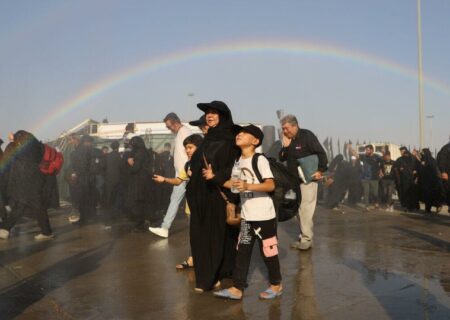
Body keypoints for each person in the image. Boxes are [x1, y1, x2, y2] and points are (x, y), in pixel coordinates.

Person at [214, 125, 282, 300]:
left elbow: (270, 185)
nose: (239, 134)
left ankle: (276, 284)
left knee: (268, 252)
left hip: (264, 216)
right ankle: (238, 288)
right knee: (242, 251)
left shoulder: (259, 160)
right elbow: (235, 184)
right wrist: (214, 178)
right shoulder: (238, 161)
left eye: (244, 133)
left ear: (255, 141)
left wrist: (248, 186)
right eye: (238, 133)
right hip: (246, 216)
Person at [187, 100, 240, 292]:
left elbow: (235, 166)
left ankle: (210, 278)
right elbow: (195, 163)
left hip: (217, 195)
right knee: (201, 237)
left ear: (223, 116)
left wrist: (216, 176)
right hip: (199, 197)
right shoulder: (207, 139)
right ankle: (219, 271)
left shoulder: (230, 139)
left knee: (215, 237)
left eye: (213, 113)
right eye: (207, 113)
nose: (209, 116)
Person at [153, 134, 203, 269]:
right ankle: (192, 259)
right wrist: (164, 179)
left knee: (206, 236)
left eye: (190, 147)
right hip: (191, 208)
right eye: (186, 148)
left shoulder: (207, 164)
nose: (187, 151)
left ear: (200, 148)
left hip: (205, 208)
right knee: (193, 236)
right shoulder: (188, 165)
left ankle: (208, 264)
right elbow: (178, 181)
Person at [278, 115, 327, 251]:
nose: (284, 131)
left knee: (305, 210)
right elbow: (281, 158)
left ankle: (307, 239)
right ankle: (303, 236)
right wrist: (285, 146)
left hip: (308, 180)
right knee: (297, 210)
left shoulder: (307, 136)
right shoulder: (288, 140)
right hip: (294, 181)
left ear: (295, 126)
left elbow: (321, 153)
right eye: (282, 129)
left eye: (286, 128)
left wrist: (320, 171)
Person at [0, 131, 53, 241]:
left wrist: (13, 140)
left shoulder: (28, 148)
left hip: (29, 182)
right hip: (29, 181)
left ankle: (47, 232)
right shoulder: (35, 146)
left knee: (36, 206)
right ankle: (4, 229)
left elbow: (19, 157)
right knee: (21, 205)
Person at [149, 112, 192, 238]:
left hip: (185, 173)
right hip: (183, 172)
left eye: (169, 126)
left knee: (179, 200)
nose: (169, 129)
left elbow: (190, 151)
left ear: (176, 123)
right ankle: (165, 227)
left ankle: (165, 227)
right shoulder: (180, 133)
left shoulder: (184, 132)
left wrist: (187, 170)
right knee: (177, 200)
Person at [69, 135, 97, 225]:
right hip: (84, 177)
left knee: (86, 197)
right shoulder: (78, 151)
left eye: (71, 140)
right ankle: (87, 216)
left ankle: (86, 217)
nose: (70, 142)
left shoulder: (87, 151)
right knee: (85, 197)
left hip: (86, 177)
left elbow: (90, 165)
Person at [125, 136, 151, 231]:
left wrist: (131, 163)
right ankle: (142, 221)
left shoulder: (139, 153)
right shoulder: (146, 151)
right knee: (142, 202)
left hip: (139, 181)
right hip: (145, 180)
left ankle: (140, 224)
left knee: (137, 202)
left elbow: (136, 168)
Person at [349, 144, 381, 211]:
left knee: (375, 193)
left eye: (367, 150)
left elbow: (381, 164)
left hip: (374, 178)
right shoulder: (364, 157)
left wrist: (381, 172)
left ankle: (376, 203)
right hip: (365, 178)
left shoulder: (377, 157)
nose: (366, 151)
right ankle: (367, 206)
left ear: (372, 150)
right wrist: (350, 148)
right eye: (365, 150)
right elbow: (356, 155)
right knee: (366, 192)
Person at [418, 148, 444, 213]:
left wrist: (424, 165)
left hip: (432, 181)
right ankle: (428, 208)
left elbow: (433, 170)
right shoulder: (423, 160)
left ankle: (437, 205)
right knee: (426, 195)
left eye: (423, 153)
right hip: (425, 181)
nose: (422, 154)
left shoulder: (431, 161)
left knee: (432, 195)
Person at [394, 147, 419, 212]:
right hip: (403, 180)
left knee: (411, 193)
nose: (402, 153)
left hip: (412, 179)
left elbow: (417, 167)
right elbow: (395, 168)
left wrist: (415, 172)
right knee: (404, 193)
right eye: (401, 152)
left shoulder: (413, 158)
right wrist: (399, 169)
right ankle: (406, 206)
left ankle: (412, 207)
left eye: (403, 151)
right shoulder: (399, 159)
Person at [104, 141, 122, 226]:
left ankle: (108, 214)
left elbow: (104, 167)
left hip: (109, 179)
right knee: (117, 197)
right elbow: (121, 167)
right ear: (118, 147)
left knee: (109, 196)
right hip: (117, 179)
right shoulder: (118, 156)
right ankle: (116, 214)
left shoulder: (107, 156)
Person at [437, 139, 450, 213]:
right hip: (448, 174)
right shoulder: (446, 148)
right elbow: (441, 160)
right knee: (447, 190)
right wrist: (443, 172)